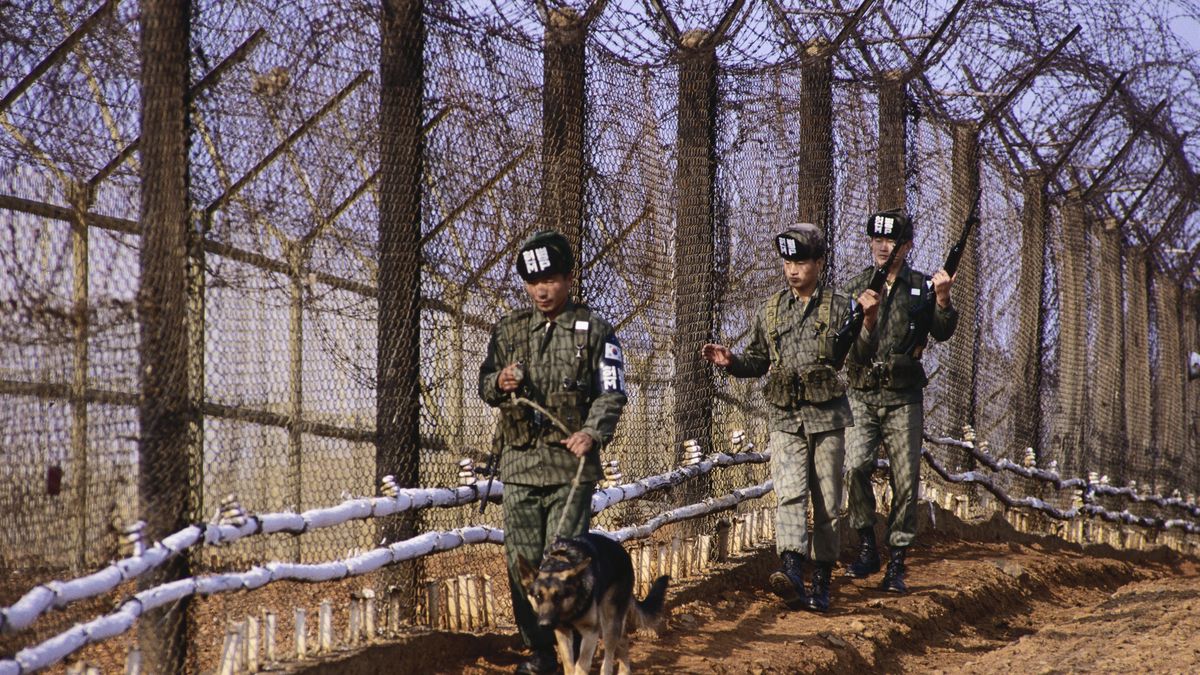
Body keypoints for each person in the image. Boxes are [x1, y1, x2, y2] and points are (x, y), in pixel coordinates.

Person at [702, 223, 874, 613]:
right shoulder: (772, 308)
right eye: (787, 261)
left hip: (827, 416)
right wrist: (732, 362)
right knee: (790, 493)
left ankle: (823, 580)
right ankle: (793, 570)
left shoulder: (841, 306)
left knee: (828, 501)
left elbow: (861, 354)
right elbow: (759, 360)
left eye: (801, 261)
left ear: (819, 262)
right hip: (785, 417)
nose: (793, 269)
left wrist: (868, 321)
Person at [478, 229, 627, 674]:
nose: (542, 290)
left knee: (561, 562)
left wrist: (591, 433)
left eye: (551, 279)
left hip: (570, 469)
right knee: (522, 564)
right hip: (521, 464)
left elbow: (613, 393)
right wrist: (498, 382)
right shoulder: (509, 330)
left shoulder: (595, 330)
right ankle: (541, 652)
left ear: (568, 278)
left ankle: (576, 649)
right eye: (533, 281)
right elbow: (485, 384)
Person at [842, 208, 957, 594]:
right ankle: (865, 545)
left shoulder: (921, 286)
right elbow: (846, 345)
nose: (882, 247)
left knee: (905, 477)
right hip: (862, 391)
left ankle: (897, 562)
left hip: (903, 395)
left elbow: (942, 331)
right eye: (876, 239)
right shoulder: (858, 286)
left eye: (890, 241)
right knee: (855, 465)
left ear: (906, 246)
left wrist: (942, 299)